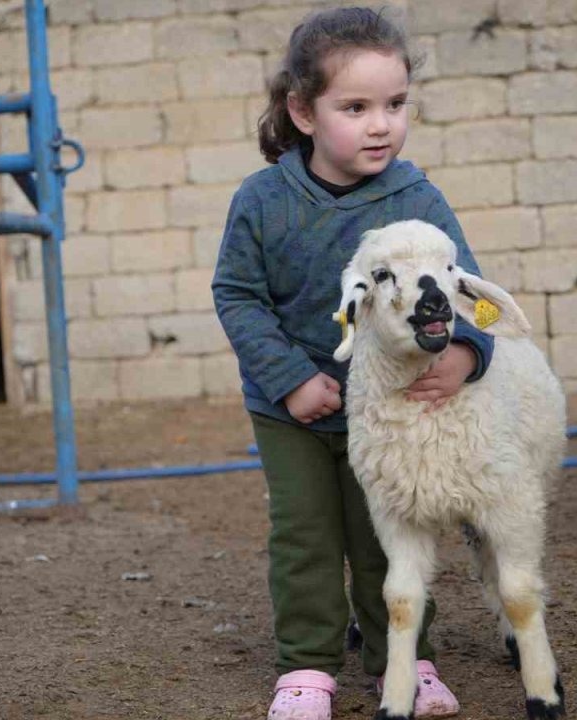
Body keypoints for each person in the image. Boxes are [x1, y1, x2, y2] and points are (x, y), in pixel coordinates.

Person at [211, 7, 496, 720]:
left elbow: (474, 293)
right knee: (305, 534)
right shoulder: (262, 201)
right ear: (302, 111)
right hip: (292, 411)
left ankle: (405, 659)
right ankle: (305, 670)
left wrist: (467, 350)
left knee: (389, 537)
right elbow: (238, 296)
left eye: (396, 105)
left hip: (396, 411)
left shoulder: (418, 200)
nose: (381, 125)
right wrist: (291, 381)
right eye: (357, 107)